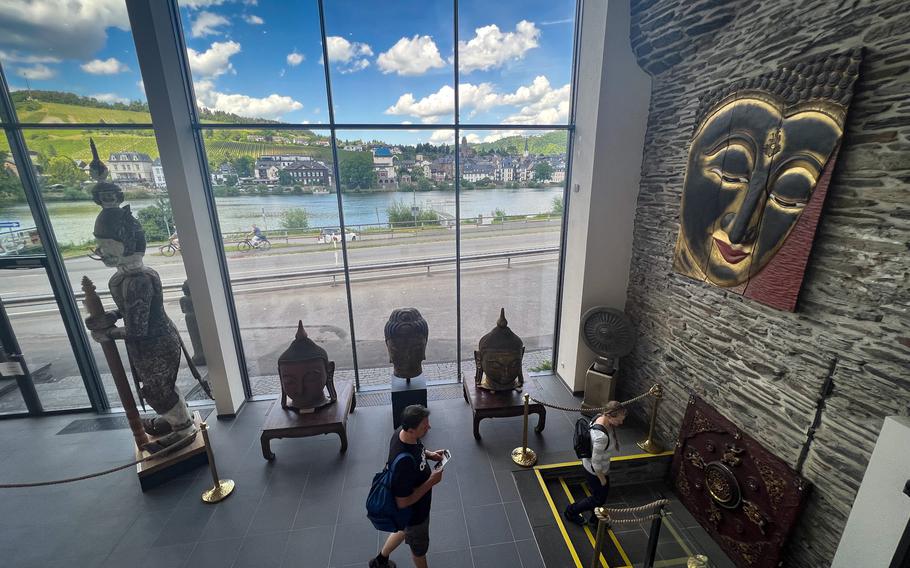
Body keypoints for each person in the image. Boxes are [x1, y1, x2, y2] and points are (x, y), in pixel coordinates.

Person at [371, 405, 446, 568]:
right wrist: (431, 481)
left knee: (404, 530)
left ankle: (380, 560)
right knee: (418, 549)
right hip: (415, 514)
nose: (429, 427)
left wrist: (429, 454)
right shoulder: (403, 464)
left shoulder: (402, 432)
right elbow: (402, 502)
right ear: (411, 429)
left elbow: (417, 447)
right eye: (424, 426)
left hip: (411, 516)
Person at [564, 400, 626, 525]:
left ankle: (595, 519)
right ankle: (571, 511)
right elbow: (596, 463)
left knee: (599, 497)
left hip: (595, 467)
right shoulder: (601, 437)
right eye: (619, 420)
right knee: (598, 499)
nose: (621, 423)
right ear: (609, 416)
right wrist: (602, 479)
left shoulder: (599, 416)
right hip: (596, 472)